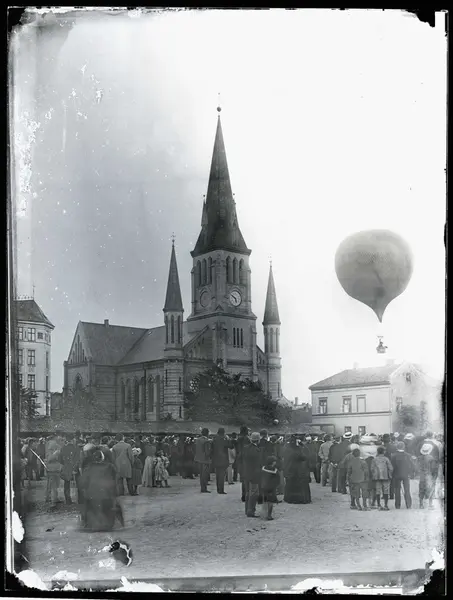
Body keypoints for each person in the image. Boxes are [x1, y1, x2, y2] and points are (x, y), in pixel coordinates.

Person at [79, 448, 123, 531]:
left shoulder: (89, 468)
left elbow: (83, 481)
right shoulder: (110, 467)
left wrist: (85, 490)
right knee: (114, 506)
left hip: (92, 493)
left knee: (87, 506)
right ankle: (119, 523)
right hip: (106, 492)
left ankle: (86, 523)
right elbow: (116, 479)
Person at [283, 436, 311, 504]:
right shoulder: (297, 450)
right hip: (298, 470)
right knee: (300, 485)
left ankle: (289, 498)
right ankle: (299, 499)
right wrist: (302, 445)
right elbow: (305, 456)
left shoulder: (286, 449)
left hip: (289, 469)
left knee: (290, 484)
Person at [242, 432, 262, 517]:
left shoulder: (246, 448)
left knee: (247, 492)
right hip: (254, 474)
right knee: (254, 493)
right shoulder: (256, 450)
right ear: (258, 440)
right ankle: (251, 511)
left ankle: (247, 509)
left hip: (246, 472)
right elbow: (258, 463)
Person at [391, 441, 415, 509]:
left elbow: (392, 466)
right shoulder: (408, 455)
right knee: (407, 490)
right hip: (405, 474)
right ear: (404, 447)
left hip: (396, 474)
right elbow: (411, 465)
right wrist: (411, 473)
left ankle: (397, 505)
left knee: (397, 490)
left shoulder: (393, 456)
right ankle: (408, 504)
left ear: (397, 447)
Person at [371, 446, 393, 511]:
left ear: (377, 452)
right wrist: (390, 475)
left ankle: (378, 505)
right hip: (385, 477)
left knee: (378, 490)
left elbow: (372, 469)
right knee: (386, 490)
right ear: (384, 452)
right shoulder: (386, 459)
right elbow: (391, 468)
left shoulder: (374, 459)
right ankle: (386, 505)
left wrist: (374, 475)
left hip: (377, 477)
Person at [418, 443, 438, 509]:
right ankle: (430, 504)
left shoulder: (419, 458)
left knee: (421, 490)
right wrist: (434, 477)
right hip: (429, 476)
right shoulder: (431, 458)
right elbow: (433, 468)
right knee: (430, 489)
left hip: (422, 476)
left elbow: (417, 467)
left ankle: (421, 504)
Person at [60, 434, 79, 505]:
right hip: (74, 467)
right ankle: (78, 499)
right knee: (76, 484)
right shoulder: (76, 448)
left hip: (66, 467)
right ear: (72, 440)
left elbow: (60, 459)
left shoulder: (63, 448)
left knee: (66, 484)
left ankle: (68, 500)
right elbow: (78, 459)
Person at [211, 428, 230, 494]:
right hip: (223, 460)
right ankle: (221, 490)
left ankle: (218, 489)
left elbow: (212, 448)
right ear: (223, 433)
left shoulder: (214, 439)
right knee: (222, 475)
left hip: (216, 459)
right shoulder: (224, 439)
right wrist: (227, 438)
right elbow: (230, 446)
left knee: (218, 475)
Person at [260, 456, 280, 521]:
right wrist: (276, 486)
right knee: (271, 501)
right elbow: (278, 480)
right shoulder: (275, 470)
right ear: (272, 462)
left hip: (264, 487)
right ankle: (269, 515)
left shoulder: (263, 468)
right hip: (271, 488)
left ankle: (264, 514)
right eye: (274, 461)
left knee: (265, 501)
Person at [236, 426, 250, 502]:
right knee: (247, 480)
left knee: (243, 480)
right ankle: (246, 495)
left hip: (240, 461)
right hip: (246, 461)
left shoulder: (239, 438)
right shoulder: (246, 439)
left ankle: (243, 495)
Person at [195, 428, 211, 493]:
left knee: (201, 475)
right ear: (207, 433)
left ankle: (202, 488)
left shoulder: (198, 440)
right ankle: (204, 488)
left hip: (198, 459)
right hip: (205, 459)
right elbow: (207, 452)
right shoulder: (206, 441)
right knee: (205, 474)